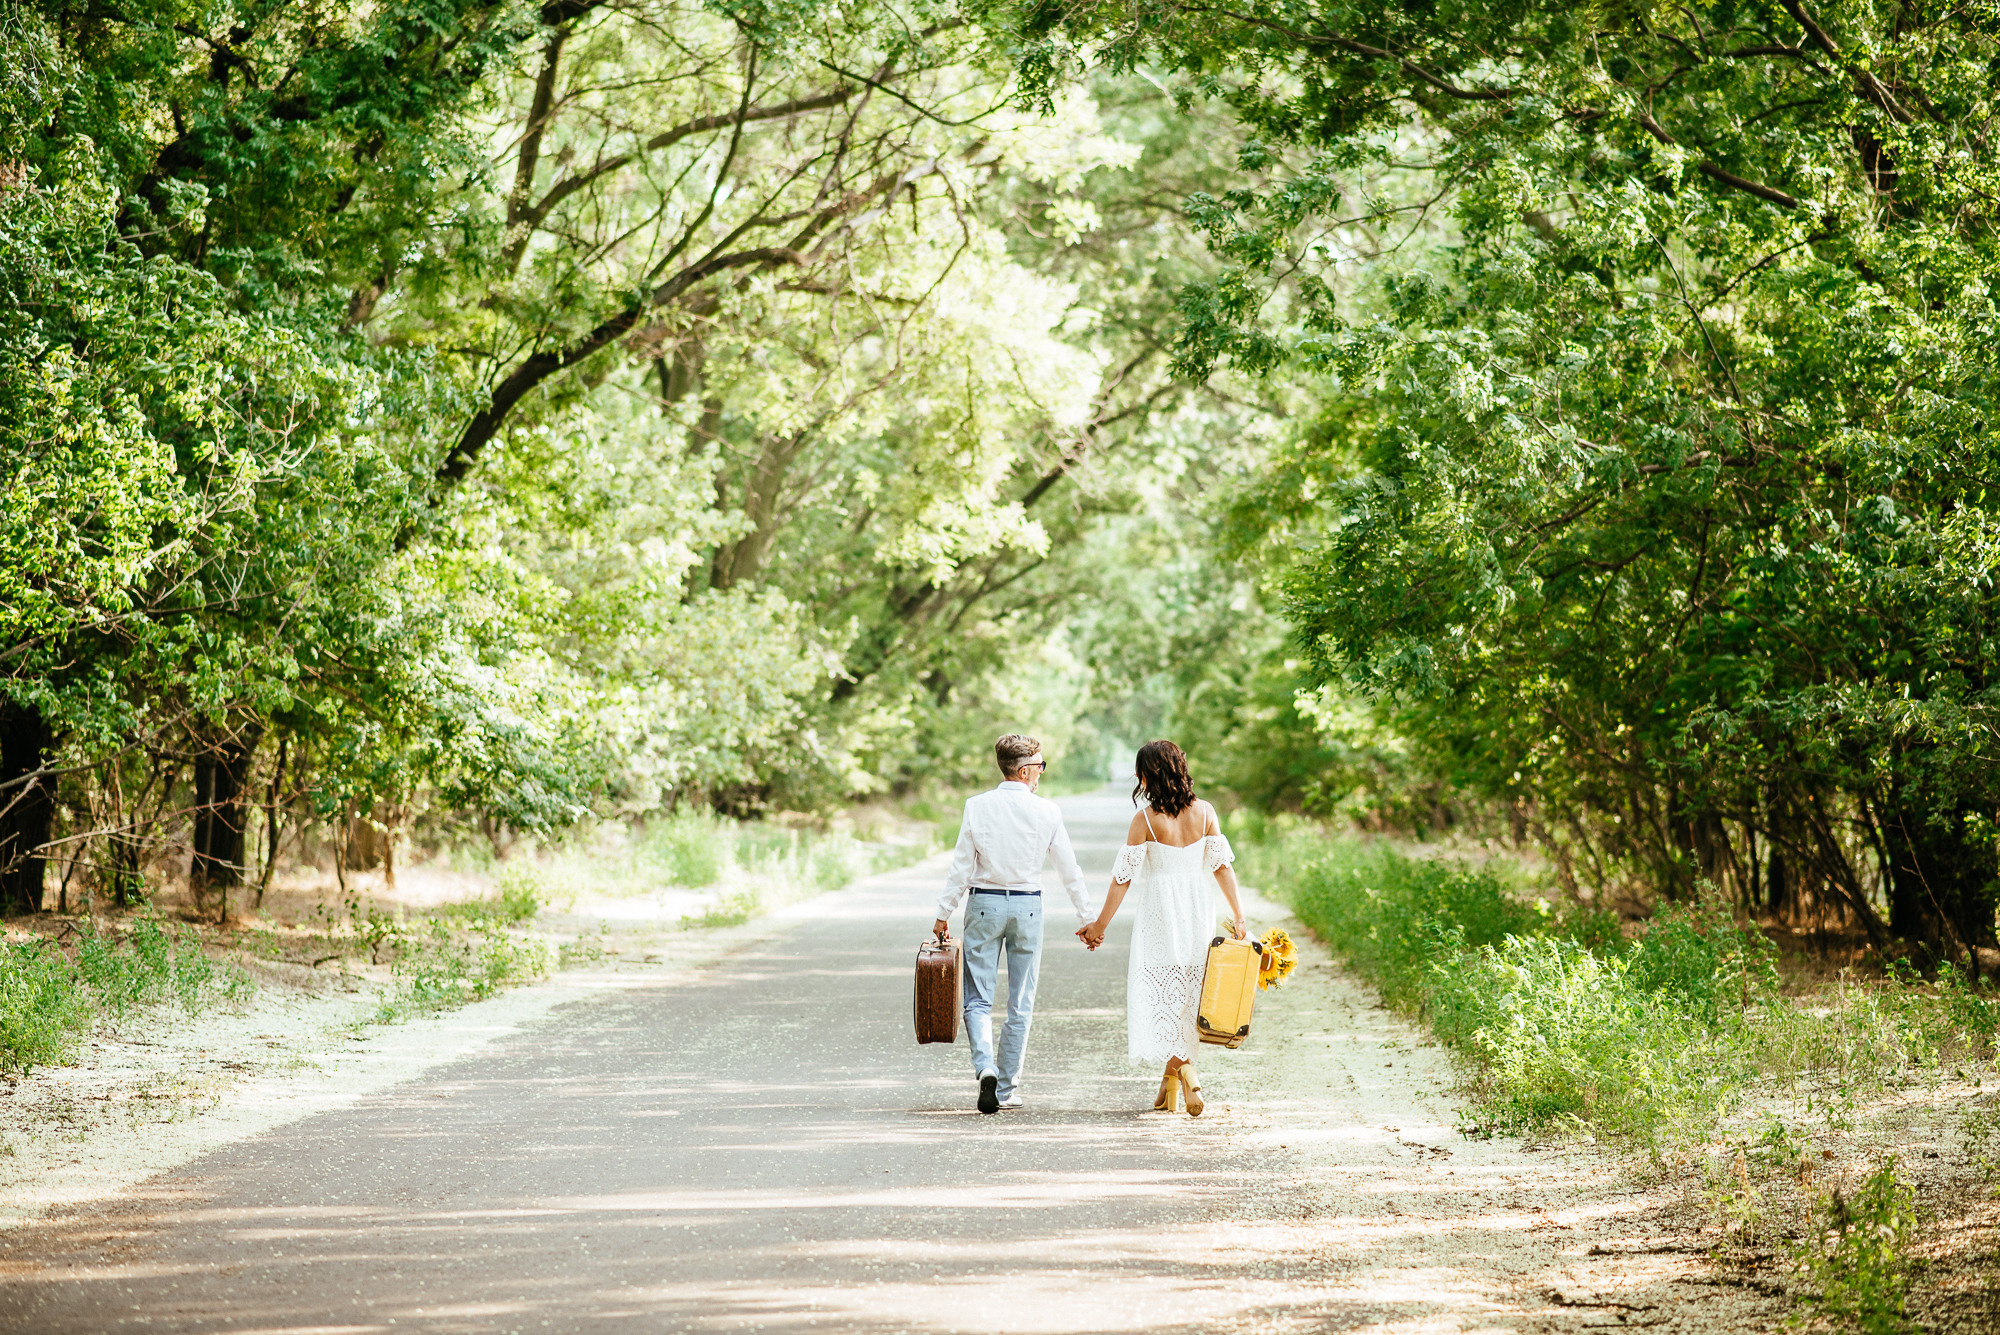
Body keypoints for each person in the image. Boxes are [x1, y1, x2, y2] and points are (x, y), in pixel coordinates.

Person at [1077, 740, 1245, 1117]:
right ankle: (1170, 1084)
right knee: (1189, 994)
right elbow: (1222, 868)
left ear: (1146, 775)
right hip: (1197, 909)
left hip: (1159, 915)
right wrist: (1240, 916)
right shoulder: (1205, 813)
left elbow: (1123, 878)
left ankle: (1186, 1072)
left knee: (1164, 994)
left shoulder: (1145, 820)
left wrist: (1098, 926)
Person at [934, 733, 1093, 1114]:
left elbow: (961, 866)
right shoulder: (1048, 811)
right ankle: (1005, 1089)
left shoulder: (977, 806)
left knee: (977, 998)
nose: (1041, 773)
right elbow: (1069, 870)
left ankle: (985, 1066)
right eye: (1039, 766)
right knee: (1020, 1002)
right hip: (1028, 909)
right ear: (1023, 771)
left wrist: (943, 913)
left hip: (985, 905)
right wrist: (1087, 918)